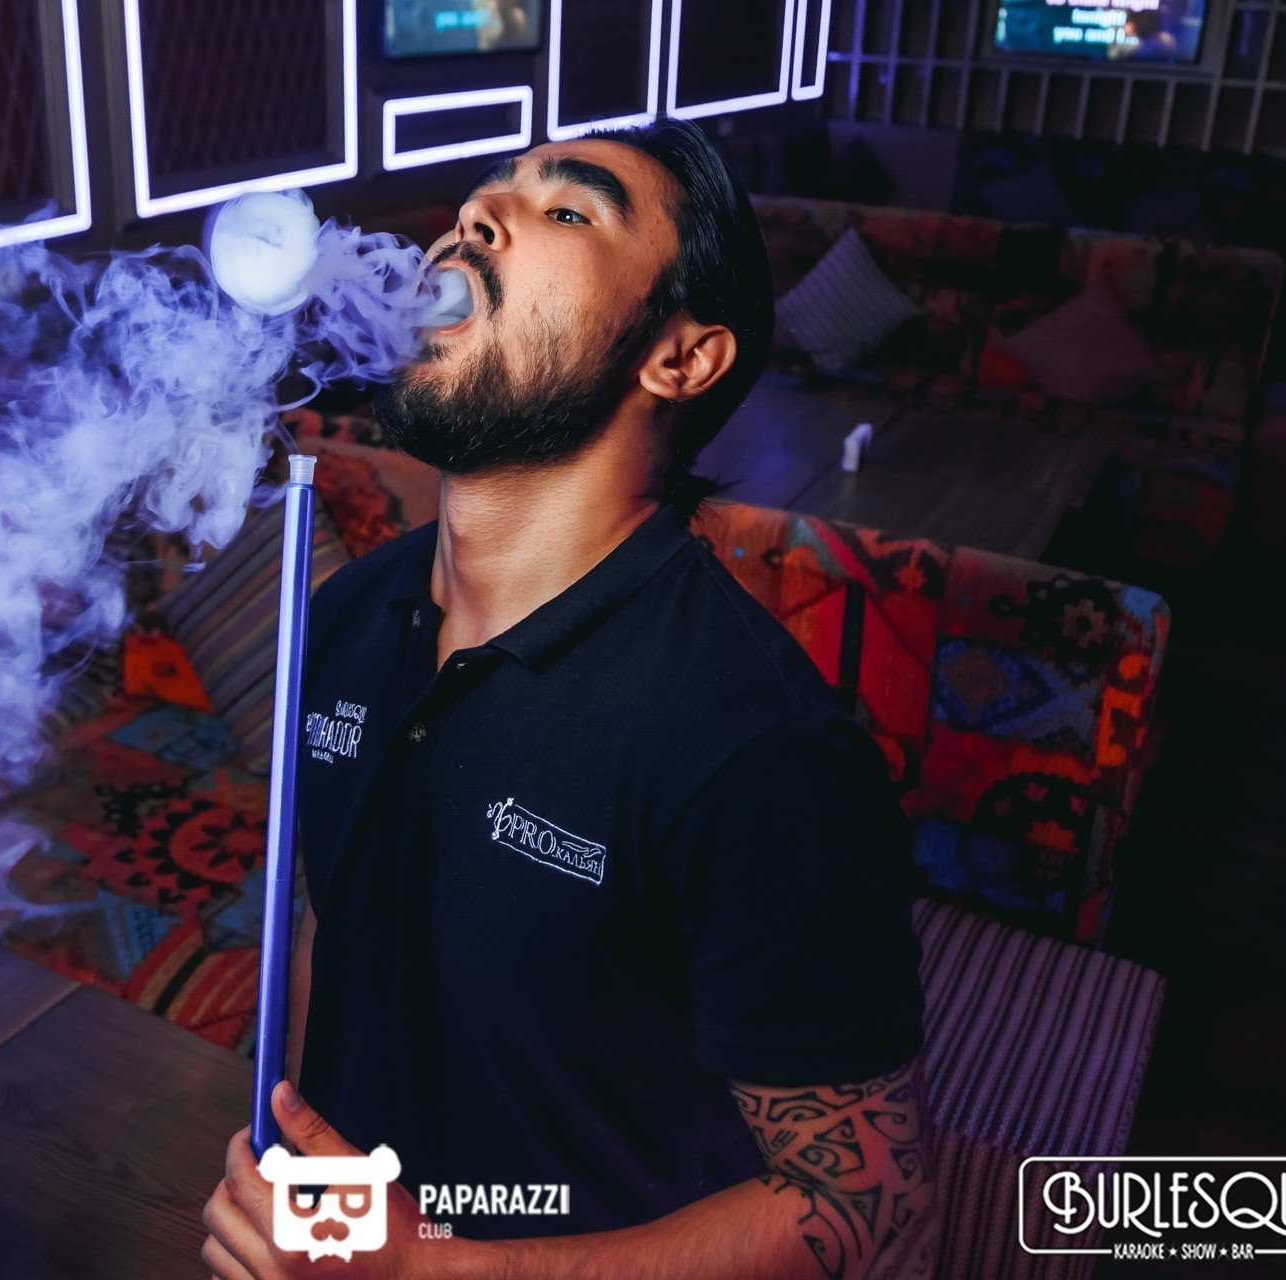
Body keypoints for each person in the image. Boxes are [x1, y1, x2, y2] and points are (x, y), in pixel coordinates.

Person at [203, 118, 937, 1280]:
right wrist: (312, 1180)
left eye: (566, 208)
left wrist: (433, 1269)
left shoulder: (757, 752)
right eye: (488, 189)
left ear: (681, 358)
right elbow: (330, 920)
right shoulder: (345, 616)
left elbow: (863, 1203)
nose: (474, 213)